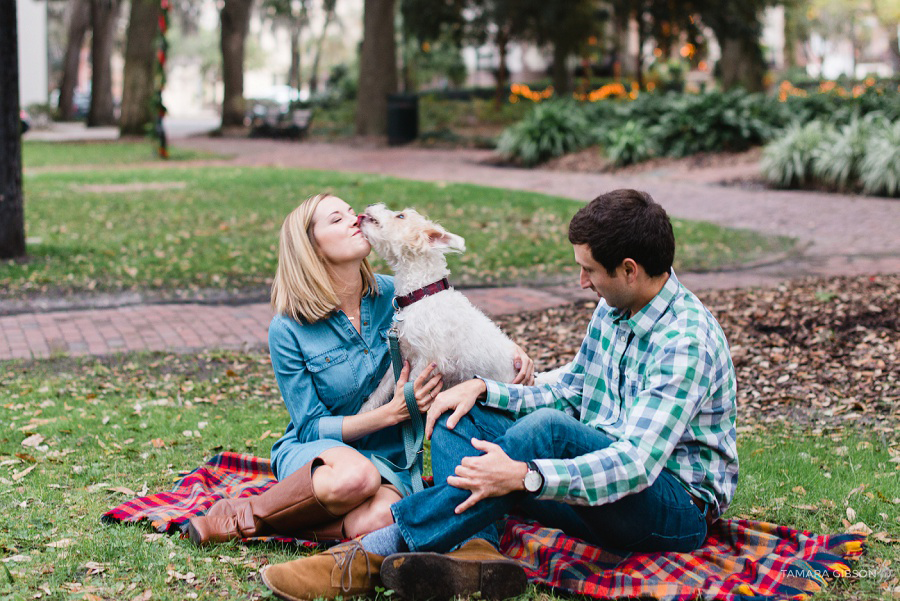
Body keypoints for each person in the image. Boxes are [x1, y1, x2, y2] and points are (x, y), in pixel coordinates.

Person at [259, 189, 739, 601]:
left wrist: (526, 476)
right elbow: (572, 390)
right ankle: (477, 553)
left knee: (546, 431)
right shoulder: (615, 309)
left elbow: (635, 467)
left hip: (667, 510)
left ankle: (366, 557)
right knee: (457, 411)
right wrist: (485, 389)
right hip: (592, 485)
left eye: (589, 270)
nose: (582, 282)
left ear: (630, 270)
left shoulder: (686, 341)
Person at [187, 193, 533, 546]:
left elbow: (457, 323)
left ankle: (286, 524)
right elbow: (309, 426)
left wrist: (510, 349)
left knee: (384, 520)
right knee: (356, 478)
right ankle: (247, 517)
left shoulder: (396, 294)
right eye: (336, 220)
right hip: (322, 451)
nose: (354, 219)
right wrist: (389, 414)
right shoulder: (288, 328)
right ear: (312, 248)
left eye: (351, 213)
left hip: (387, 456)